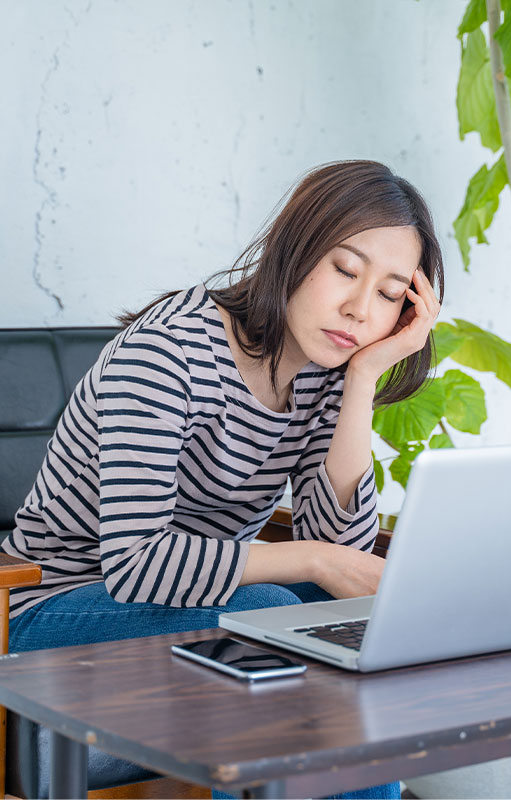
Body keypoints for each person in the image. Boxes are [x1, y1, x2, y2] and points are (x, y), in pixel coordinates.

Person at [2, 160, 444, 799]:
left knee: (358, 620)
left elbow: (342, 554)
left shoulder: (327, 368)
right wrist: (310, 560)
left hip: (197, 615)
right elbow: (134, 566)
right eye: (345, 270)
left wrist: (361, 383)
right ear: (292, 254)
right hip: (52, 613)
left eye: (387, 293)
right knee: (268, 617)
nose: (357, 307)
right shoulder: (166, 354)